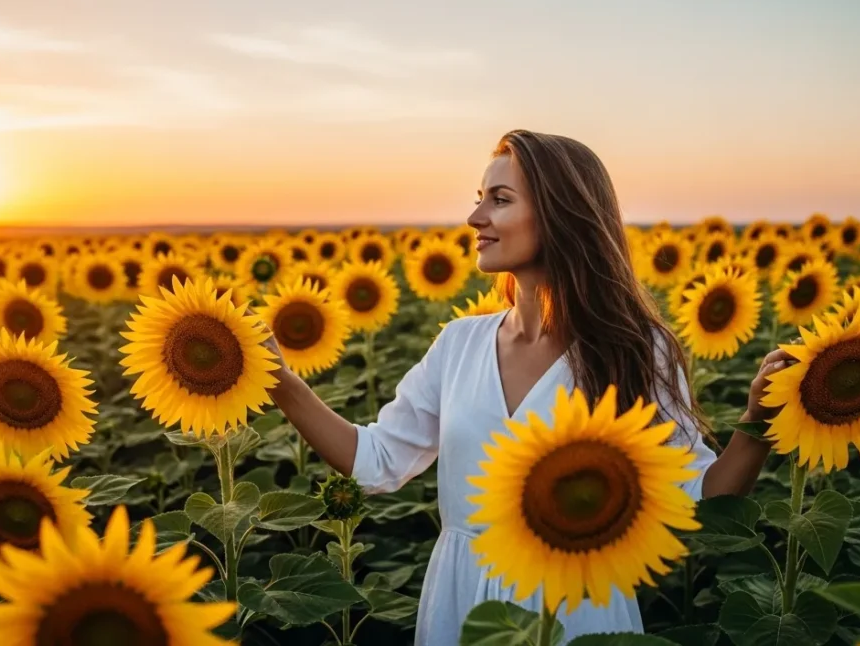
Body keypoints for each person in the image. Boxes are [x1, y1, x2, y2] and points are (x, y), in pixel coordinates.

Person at [263, 129, 795, 644]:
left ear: (560, 214)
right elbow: (376, 460)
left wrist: (756, 425)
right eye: (479, 199)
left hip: (579, 605)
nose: (475, 218)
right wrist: (282, 382)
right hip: (463, 600)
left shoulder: (631, 348)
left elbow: (701, 498)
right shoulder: (458, 344)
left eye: (499, 199)